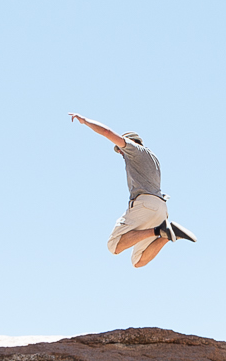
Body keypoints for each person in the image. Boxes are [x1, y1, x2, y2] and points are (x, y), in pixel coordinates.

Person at [70, 113, 194, 267]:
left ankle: (159, 230)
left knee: (113, 245)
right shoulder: (154, 158)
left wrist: (85, 121)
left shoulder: (134, 150)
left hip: (145, 204)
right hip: (161, 208)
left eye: (120, 150)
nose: (121, 153)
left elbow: (107, 132)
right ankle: (168, 233)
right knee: (138, 261)